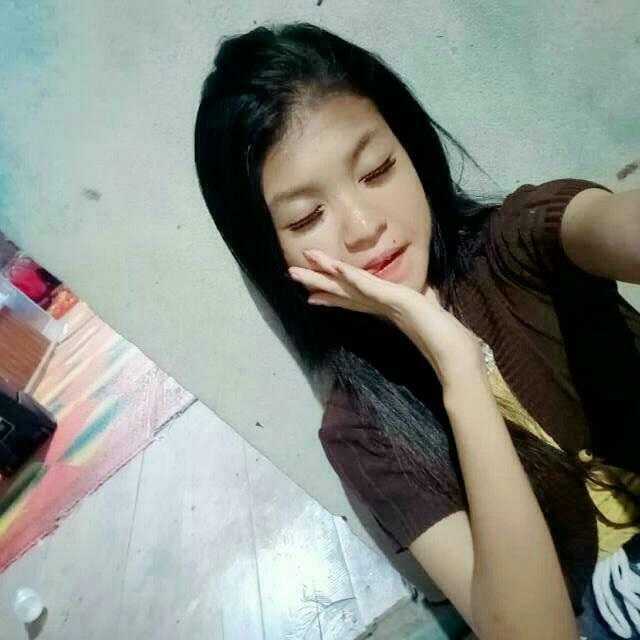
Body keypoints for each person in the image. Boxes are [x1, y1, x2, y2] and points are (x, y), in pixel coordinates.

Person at [194, 22, 640, 638]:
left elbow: (613, 224)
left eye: (377, 169)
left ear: (412, 150)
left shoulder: (519, 239)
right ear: (271, 253)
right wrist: (459, 370)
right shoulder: (363, 432)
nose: (363, 227)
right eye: (307, 216)